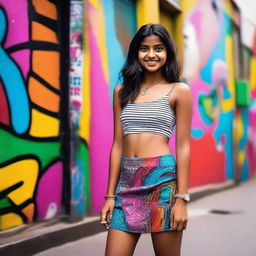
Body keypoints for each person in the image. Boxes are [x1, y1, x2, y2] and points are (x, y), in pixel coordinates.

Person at [100, 23, 192, 256]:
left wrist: (181, 198)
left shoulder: (179, 90)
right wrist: (110, 196)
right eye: (144, 49)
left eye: (158, 48)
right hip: (127, 184)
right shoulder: (121, 92)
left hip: (162, 183)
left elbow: (183, 146)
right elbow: (117, 145)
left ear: (168, 53)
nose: (151, 54)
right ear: (136, 53)